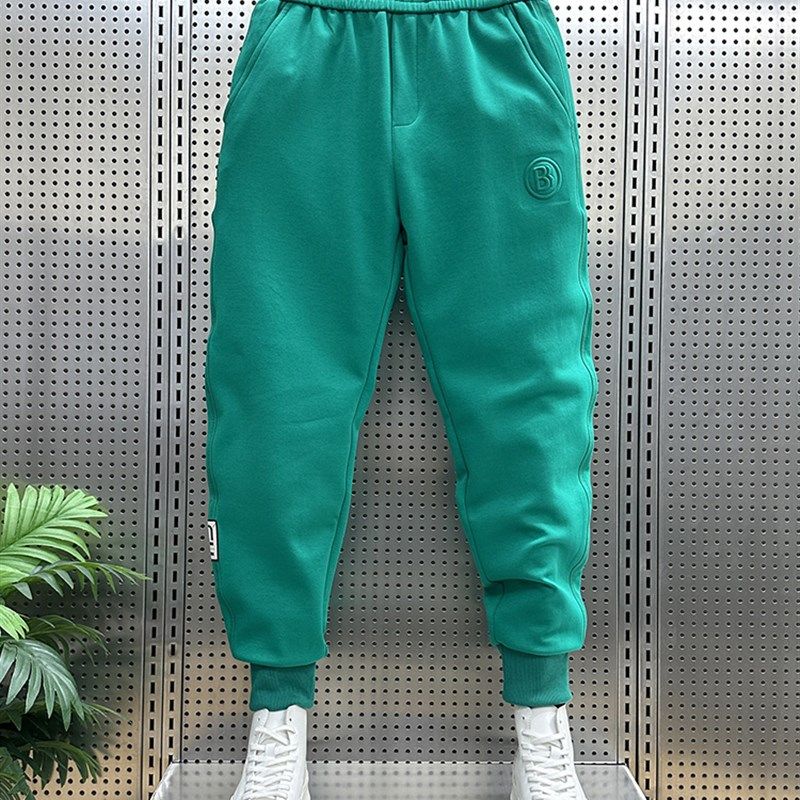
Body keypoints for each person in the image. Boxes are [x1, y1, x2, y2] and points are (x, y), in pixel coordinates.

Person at [204, 0, 599, 796]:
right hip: (308, 48)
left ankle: (542, 722)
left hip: (491, 46)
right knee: (275, 393)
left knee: (533, 397)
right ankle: (277, 721)